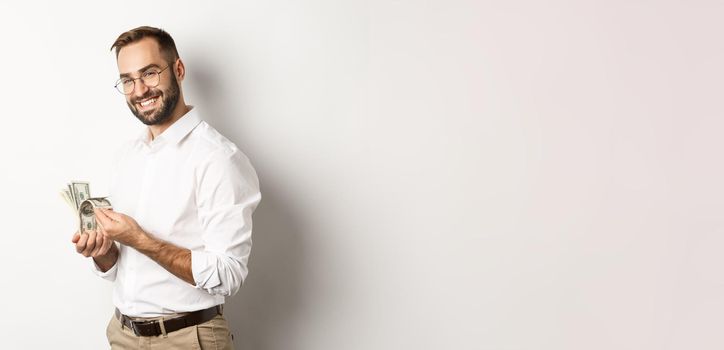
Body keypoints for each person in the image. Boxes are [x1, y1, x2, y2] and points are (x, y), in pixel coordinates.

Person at [70, 26, 261, 349]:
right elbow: (124, 269)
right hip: (123, 335)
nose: (140, 89)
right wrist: (104, 254)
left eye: (150, 73)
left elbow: (228, 275)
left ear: (179, 70)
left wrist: (141, 240)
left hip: (187, 339)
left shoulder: (218, 159)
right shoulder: (127, 157)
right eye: (128, 80)